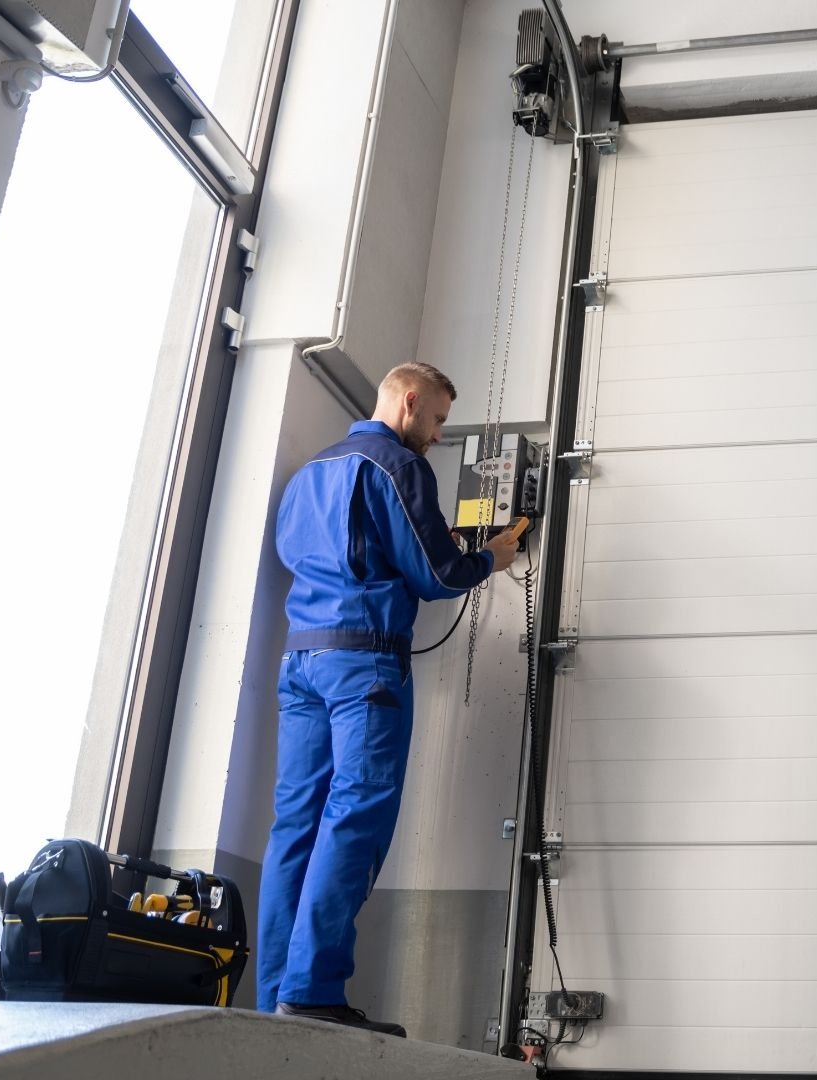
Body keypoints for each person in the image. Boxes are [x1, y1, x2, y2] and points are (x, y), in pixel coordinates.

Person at [258, 362, 522, 1035]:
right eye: (436, 419)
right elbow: (438, 574)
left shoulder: (309, 475)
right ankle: (313, 990)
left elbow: (298, 553)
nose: (436, 435)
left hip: (300, 660)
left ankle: (275, 1003)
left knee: (296, 826)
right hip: (363, 668)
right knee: (355, 817)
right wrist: (494, 554)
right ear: (408, 402)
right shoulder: (395, 466)